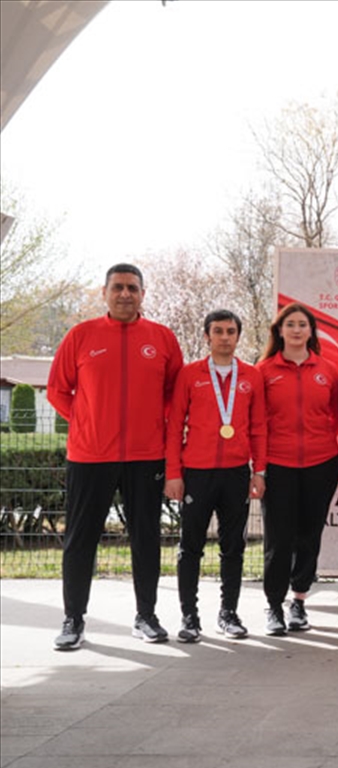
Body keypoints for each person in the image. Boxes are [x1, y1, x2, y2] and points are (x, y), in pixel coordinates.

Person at [47, 263, 183, 649]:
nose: (126, 294)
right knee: (80, 539)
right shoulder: (81, 335)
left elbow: (176, 392)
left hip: (146, 456)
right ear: (104, 292)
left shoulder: (162, 338)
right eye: (118, 287)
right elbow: (58, 390)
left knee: (146, 538)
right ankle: (73, 619)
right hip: (90, 456)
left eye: (133, 288)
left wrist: (158, 422)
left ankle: (147, 616)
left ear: (143, 294)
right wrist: (87, 421)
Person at [165, 310, 267, 641]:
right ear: (207, 336)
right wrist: (173, 473)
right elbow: (173, 425)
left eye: (231, 331)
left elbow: (259, 428)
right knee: (190, 546)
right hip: (196, 472)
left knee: (233, 546)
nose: (225, 337)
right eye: (218, 331)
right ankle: (189, 617)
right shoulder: (189, 374)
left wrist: (259, 470)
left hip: (236, 473)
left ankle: (229, 613)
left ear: (239, 336)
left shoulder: (251, 376)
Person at [257, 303, 338, 635]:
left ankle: (299, 602)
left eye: (302, 325)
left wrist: (321, 439)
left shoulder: (328, 370)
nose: (296, 330)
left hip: (321, 464)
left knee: (309, 536)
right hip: (278, 464)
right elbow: (256, 422)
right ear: (279, 331)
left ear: (311, 331)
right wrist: (260, 468)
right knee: (278, 539)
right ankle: (274, 607)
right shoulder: (264, 371)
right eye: (289, 324)